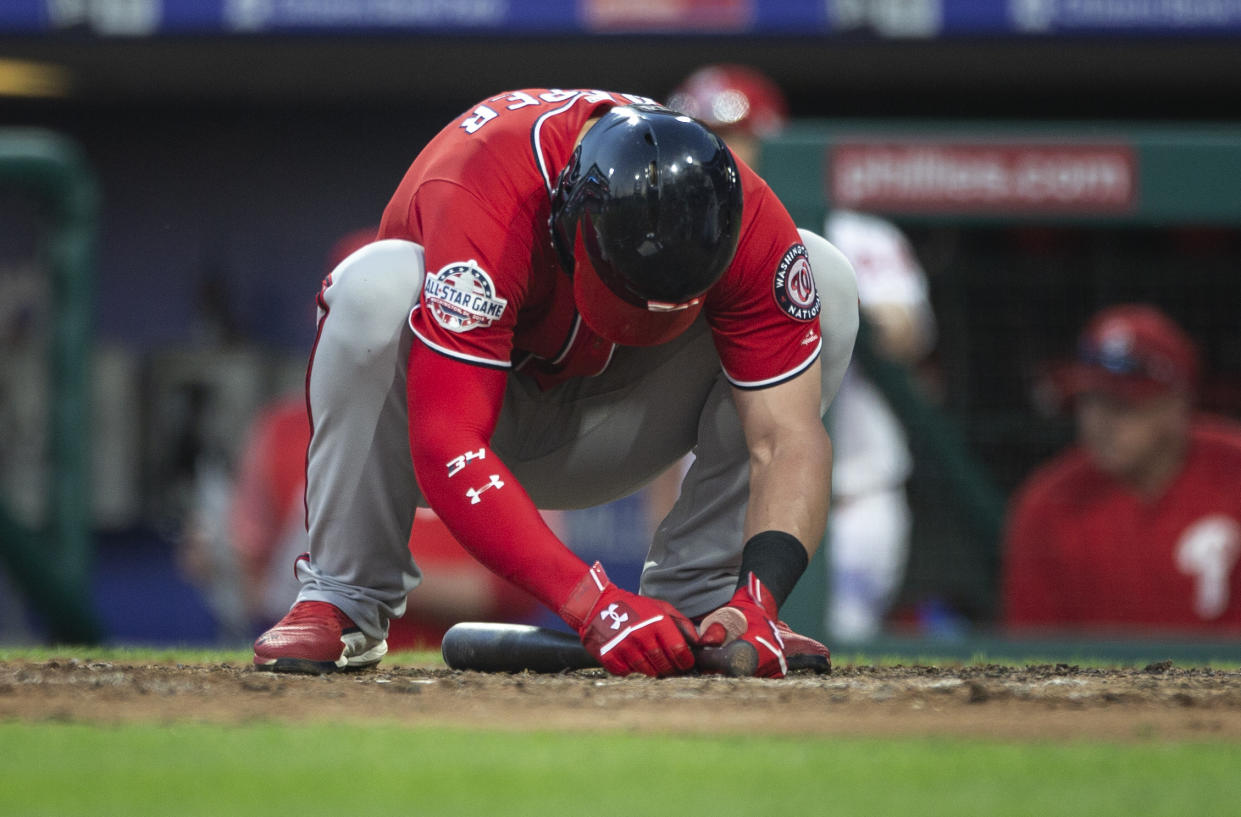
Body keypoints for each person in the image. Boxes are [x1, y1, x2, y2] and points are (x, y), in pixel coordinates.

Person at [252, 88, 859, 678]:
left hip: (620, 419)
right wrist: (593, 606)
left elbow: (786, 437)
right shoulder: (486, 182)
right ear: (571, 218)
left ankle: (712, 602)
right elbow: (448, 441)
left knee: (821, 275)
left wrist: (762, 596)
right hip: (463, 424)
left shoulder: (746, 210)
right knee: (373, 284)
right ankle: (346, 596)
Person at [669, 65, 936, 642]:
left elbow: (906, 335)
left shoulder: (858, 237)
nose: (717, 150)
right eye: (701, 131)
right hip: (723, 504)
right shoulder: (674, 243)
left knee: (831, 647)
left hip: (853, 502)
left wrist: (815, 291)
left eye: (733, 133)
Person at [1002, 304, 1241, 635]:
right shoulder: (1046, 504)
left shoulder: (1233, 470)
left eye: (1123, 406)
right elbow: (1034, 655)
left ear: (1176, 403)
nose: (1101, 422)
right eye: (1090, 401)